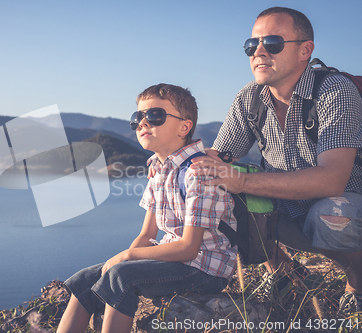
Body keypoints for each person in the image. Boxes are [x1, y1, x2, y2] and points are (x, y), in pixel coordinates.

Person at [191, 7, 362, 316]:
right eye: (251, 45)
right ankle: (285, 272)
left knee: (328, 214)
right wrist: (172, 161)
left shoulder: (335, 91)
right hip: (287, 209)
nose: (258, 52)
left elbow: (332, 180)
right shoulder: (250, 98)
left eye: (272, 43)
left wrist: (242, 180)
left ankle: (358, 282)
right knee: (217, 190)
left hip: (346, 208)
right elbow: (221, 156)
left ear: (304, 50)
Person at [56, 83, 237, 333]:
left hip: (205, 269)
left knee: (122, 277)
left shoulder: (199, 171)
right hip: (175, 261)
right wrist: (117, 263)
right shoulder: (158, 170)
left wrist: (126, 259)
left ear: (184, 127)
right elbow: (147, 235)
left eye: (154, 115)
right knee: (86, 279)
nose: (142, 123)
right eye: (137, 117)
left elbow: (188, 248)